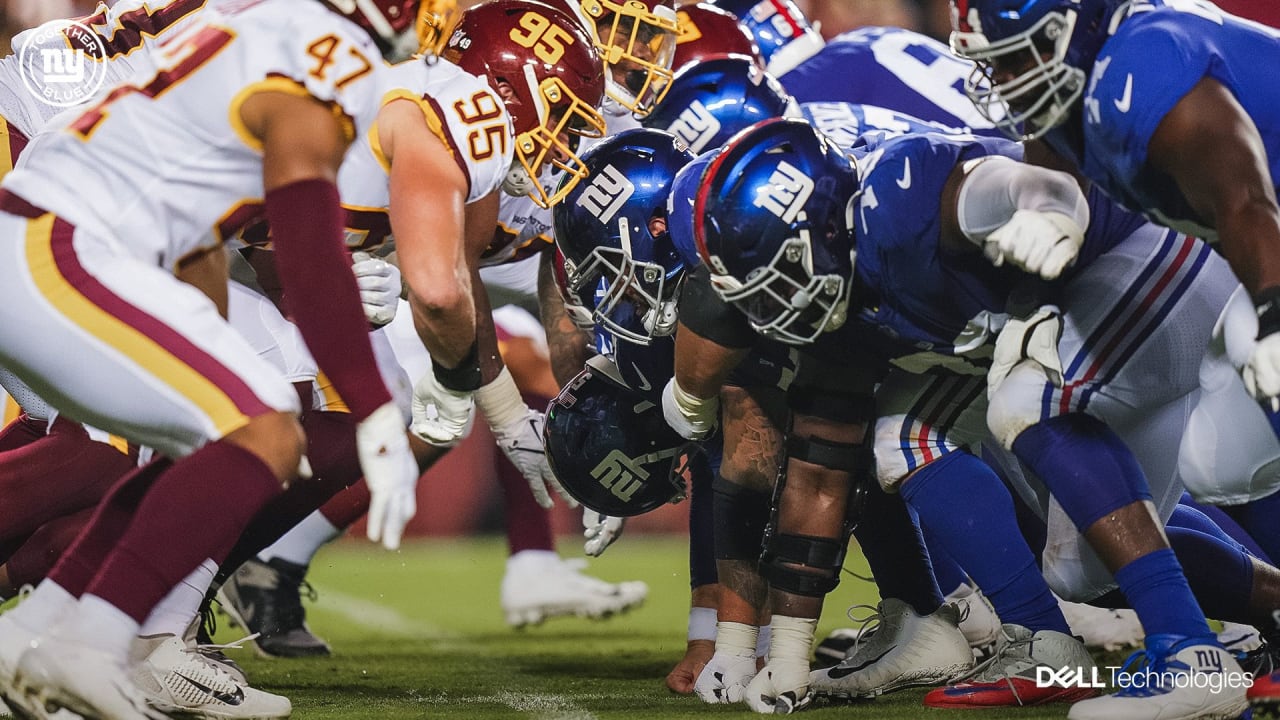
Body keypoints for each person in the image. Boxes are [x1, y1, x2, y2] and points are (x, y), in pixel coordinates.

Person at [0, 0, 428, 718]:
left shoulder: (243, 35)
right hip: (58, 247)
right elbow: (303, 248)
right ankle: (101, 641)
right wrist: (375, 408)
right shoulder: (323, 53)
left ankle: (36, 637)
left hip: (59, 237)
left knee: (203, 434)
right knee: (259, 429)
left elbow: (196, 227)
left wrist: (212, 353)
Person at [948, 0, 1280, 711]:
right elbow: (1053, 183)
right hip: (1240, 251)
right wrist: (1046, 252)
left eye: (1016, 55)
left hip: (1260, 241)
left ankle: (1191, 659)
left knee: (1258, 360)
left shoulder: (1144, 59)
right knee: (1219, 466)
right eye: (996, 59)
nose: (1004, 78)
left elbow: (1248, 202)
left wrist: (1276, 319)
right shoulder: (1071, 82)